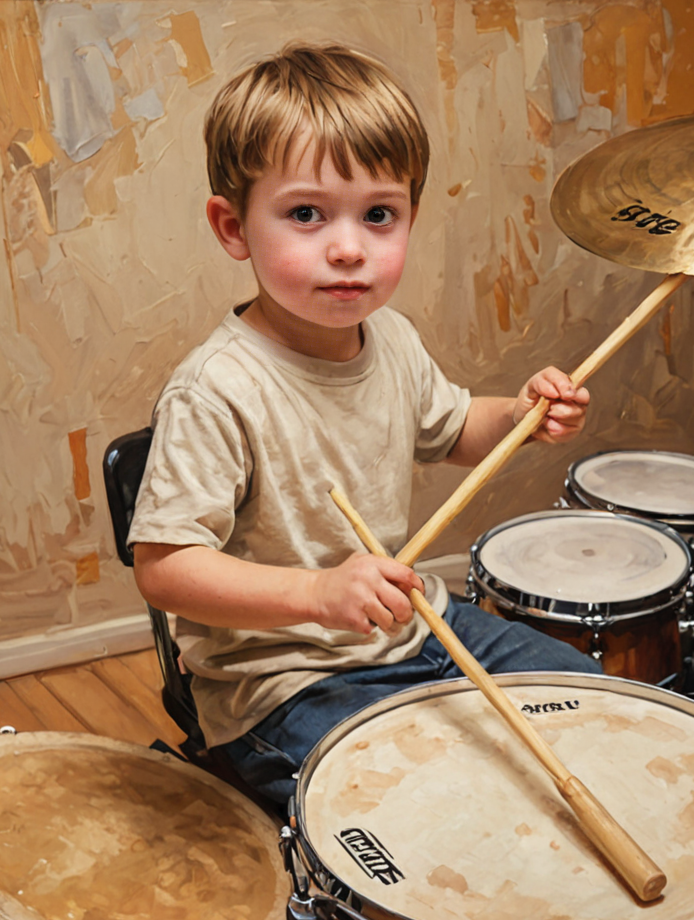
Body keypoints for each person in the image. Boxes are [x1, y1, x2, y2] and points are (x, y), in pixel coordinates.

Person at [128, 42, 600, 811]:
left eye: (379, 215)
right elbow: (165, 569)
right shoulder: (216, 391)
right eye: (306, 214)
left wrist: (519, 416)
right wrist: (317, 592)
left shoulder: (393, 340)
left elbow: (453, 432)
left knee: (591, 702)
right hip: (282, 681)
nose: (348, 248)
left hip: (412, 628)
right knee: (421, 805)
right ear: (232, 226)